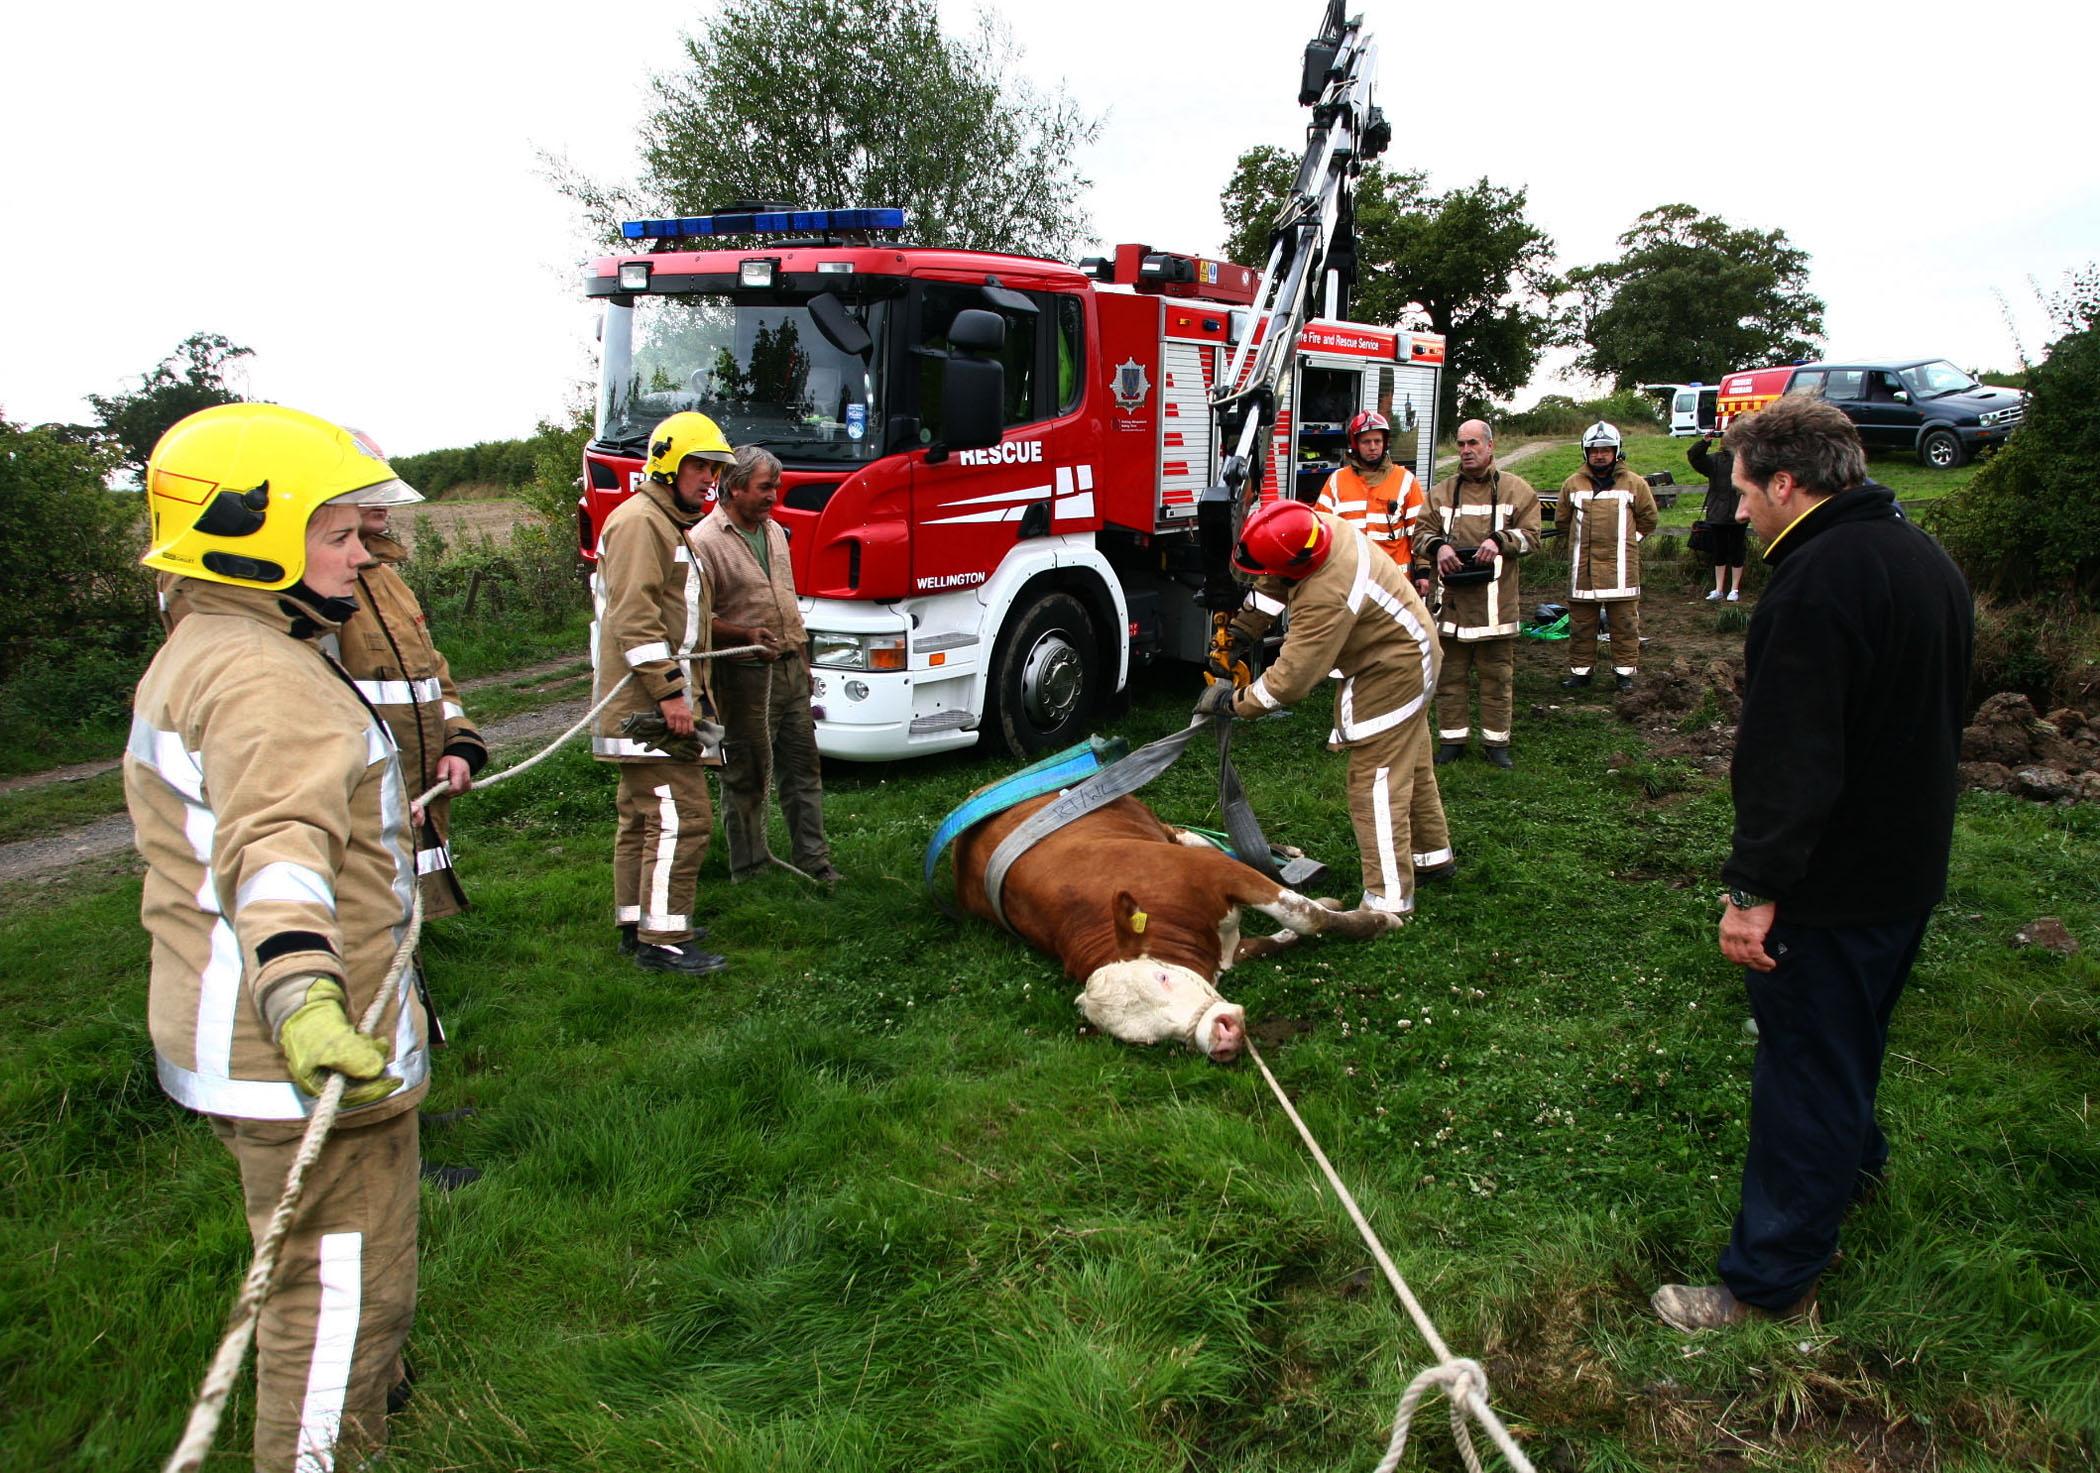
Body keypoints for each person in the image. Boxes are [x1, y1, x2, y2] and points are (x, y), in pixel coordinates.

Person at [128, 403, 432, 1471]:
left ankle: (379, 1390)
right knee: (341, 1301)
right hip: (301, 1049)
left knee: (315, 1264)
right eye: (341, 534)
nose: (367, 556)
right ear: (250, 531)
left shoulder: (213, 640)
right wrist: (306, 993)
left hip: (231, 1038)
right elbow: (277, 846)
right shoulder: (264, 675)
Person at [1653, 396, 1973, 1331]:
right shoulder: (1923, 557)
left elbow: (1792, 757)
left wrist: (1755, 890)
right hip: (1905, 871)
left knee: (1804, 1072)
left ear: (1788, 484)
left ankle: (1771, 1280)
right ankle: (1854, 1170)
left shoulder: (1814, 580)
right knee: (1853, 1040)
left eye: (1746, 491)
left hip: (1829, 887)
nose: (1738, 511)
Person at [1200, 498, 1444, 917]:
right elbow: (1276, 583)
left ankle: (1388, 901)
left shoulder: (1327, 595)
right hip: (1413, 650)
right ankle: (1431, 856)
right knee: (1411, 763)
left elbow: (1290, 682)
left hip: (1393, 669)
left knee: (1375, 782)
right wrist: (1241, 630)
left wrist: (1234, 702)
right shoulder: (1315, 530)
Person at [591, 411, 734, 975]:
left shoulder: (659, 520)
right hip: (649, 707)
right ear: (669, 464)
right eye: (700, 466)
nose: (709, 479)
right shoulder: (641, 524)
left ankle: (637, 923)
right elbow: (635, 618)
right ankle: (665, 938)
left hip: (645, 703)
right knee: (684, 816)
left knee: (642, 817)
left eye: (715, 468)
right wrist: (673, 695)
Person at [692, 445, 841, 885]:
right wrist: (744, 637)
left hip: (791, 668)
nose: (774, 495)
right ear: (734, 487)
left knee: (803, 769)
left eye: (776, 486)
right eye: (765, 487)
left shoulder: (774, 531)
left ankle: (815, 860)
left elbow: (787, 602)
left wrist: (804, 660)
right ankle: (751, 870)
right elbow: (696, 623)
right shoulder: (703, 542)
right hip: (742, 677)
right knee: (746, 773)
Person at [337, 487, 488, 918]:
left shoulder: (386, 576)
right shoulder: (320, 584)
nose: (384, 494)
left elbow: (430, 674)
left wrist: (458, 743)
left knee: (400, 911)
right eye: (366, 487)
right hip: (364, 794)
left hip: (415, 787)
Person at [1414, 418, 1542, 769]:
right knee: (1449, 678)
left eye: (1473, 443)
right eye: (1460, 444)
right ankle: (1452, 741)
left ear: (1490, 446)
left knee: (1497, 678)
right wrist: (1438, 547)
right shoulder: (1440, 493)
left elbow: (1532, 536)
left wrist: (1500, 540)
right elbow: (1420, 535)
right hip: (1450, 607)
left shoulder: (1518, 491)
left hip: (1495, 608)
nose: (1466, 451)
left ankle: (1496, 744)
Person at [1559, 422, 1659, 693]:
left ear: (1616, 452)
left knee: (1625, 624)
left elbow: (1649, 519)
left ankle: (1624, 674)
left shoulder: (1635, 483)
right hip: (1582, 571)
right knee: (1581, 625)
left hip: (1621, 570)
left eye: (1606, 450)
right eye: (1594, 451)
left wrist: (1629, 541)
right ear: (1585, 452)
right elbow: (1562, 522)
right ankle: (1581, 673)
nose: (1600, 455)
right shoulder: (1572, 484)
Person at [1313, 410, 1422, 567]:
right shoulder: (1337, 481)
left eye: (1377, 441)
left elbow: (1418, 531)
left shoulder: (1405, 480)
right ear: (1356, 445)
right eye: (1366, 442)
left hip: (1394, 582)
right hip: (1352, 579)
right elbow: (1321, 529)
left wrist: (1423, 571)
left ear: (1385, 443)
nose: (1373, 447)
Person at [1688, 432, 1747, 601]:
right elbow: (1694, 458)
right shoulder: (1714, 461)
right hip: (1718, 513)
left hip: (1738, 512)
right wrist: (1704, 442)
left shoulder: (1745, 461)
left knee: (1737, 550)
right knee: (1719, 550)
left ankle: (1734, 589)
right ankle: (1719, 588)